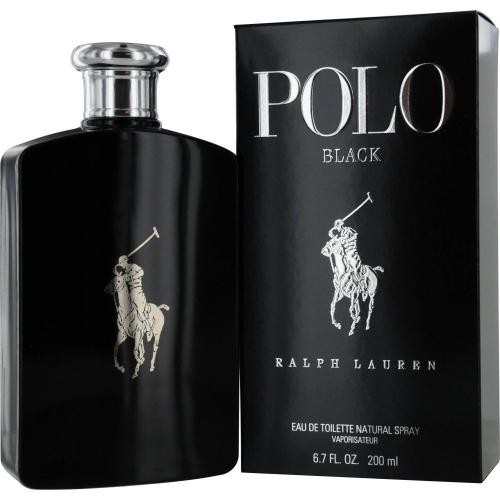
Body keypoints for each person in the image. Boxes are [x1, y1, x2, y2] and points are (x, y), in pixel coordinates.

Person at [115, 255, 152, 333]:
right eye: (120, 263)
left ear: (125, 261)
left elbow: (141, 272)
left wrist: (133, 276)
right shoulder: (124, 271)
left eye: (121, 262)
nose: (121, 264)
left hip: (137, 290)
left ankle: (147, 325)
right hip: (130, 292)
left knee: (139, 309)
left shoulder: (133, 266)